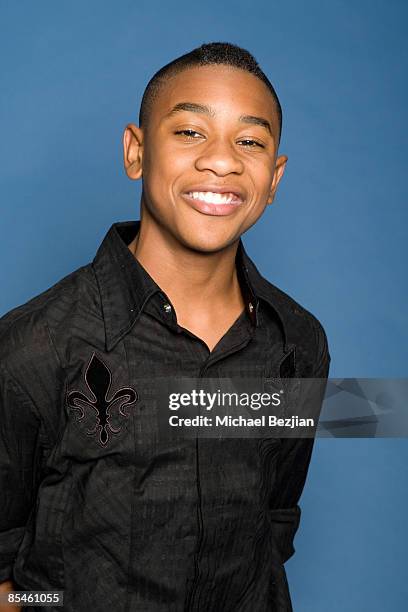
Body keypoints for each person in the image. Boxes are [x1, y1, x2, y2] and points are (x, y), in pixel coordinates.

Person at [0, 42, 330, 611]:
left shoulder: (298, 344)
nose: (222, 160)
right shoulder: (34, 344)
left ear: (273, 178)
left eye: (250, 141)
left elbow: (275, 516)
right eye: (189, 132)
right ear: (136, 151)